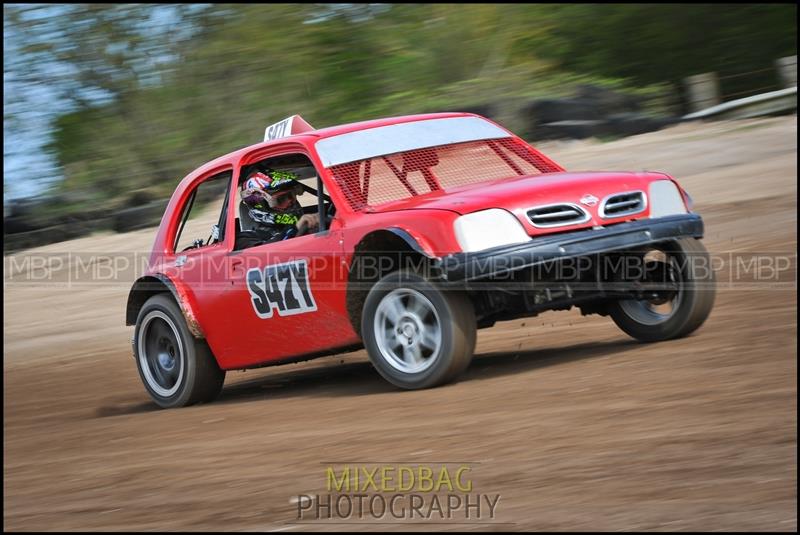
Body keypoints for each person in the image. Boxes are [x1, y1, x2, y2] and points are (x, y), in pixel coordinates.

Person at [240, 169, 319, 244]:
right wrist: (295, 229)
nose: (290, 202)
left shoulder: (302, 222)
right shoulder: (246, 239)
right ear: (260, 206)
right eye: (281, 199)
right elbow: (267, 251)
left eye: (291, 195)